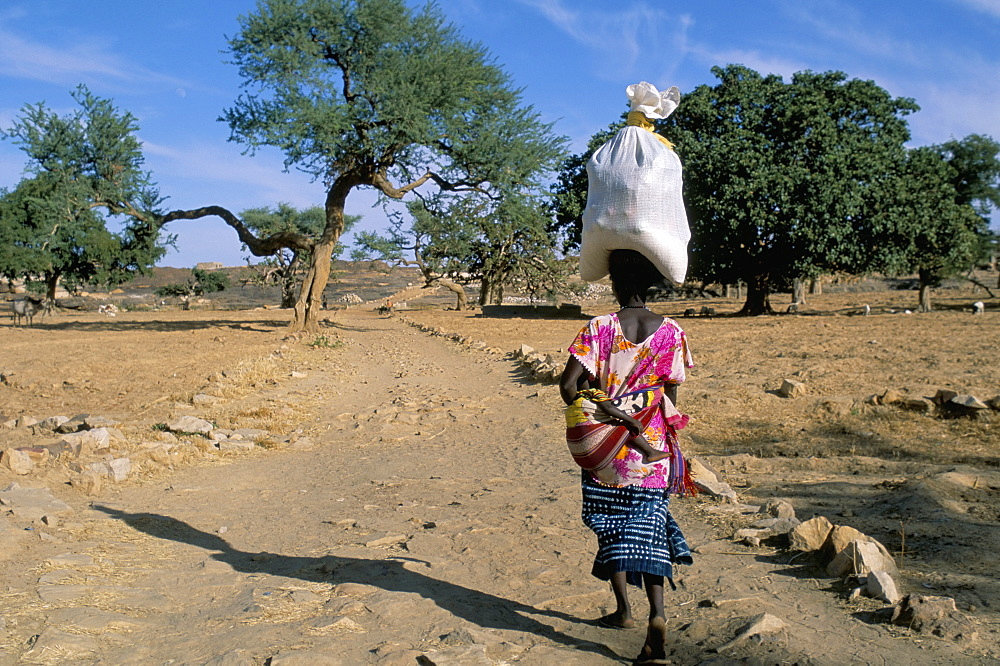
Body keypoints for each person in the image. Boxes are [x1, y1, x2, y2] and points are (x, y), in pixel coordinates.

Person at [560, 249, 694, 665]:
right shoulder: (672, 332)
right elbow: (670, 402)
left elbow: (568, 386)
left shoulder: (598, 329)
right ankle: (657, 615)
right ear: (653, 284)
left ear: (615, 283)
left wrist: (608, 410)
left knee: (610, 526)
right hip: (653, 451)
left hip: (609, 451)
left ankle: (623, 611)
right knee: (649, 533)